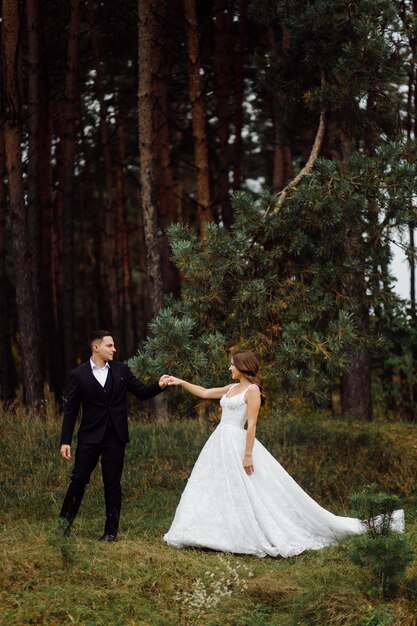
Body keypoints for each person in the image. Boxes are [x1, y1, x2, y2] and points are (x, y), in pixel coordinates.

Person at [164, 350, 404, 558]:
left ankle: (245, 533)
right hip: (219, 442)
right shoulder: (232, 388)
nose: (229, 368)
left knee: (249, 488)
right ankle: (210, 531)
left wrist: (248, 455)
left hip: (237, 441)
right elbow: (205, 392)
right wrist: (179, 381)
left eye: (232, 364)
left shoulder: (253, 391)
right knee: (216, 486)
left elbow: (252, 425)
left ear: (242, 367)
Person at [59, 330, 170, 542]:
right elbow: (71, 410)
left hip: (115, 438)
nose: (114, 349)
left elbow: (142, 392)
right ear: (96, 347)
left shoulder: (122, 370)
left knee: (112, 484)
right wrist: (65, 440)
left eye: (114, 345)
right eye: (109, 345)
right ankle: (63, 527)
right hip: (89, 438)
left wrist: (160, 384)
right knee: (78, 480)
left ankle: (110, 532)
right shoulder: (79, 374)